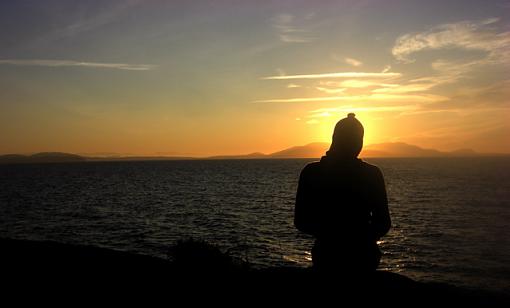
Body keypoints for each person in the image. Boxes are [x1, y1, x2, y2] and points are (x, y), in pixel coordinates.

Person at [294, 113, 391, 274]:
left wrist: (330, 234)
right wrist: (360, 237)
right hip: (363, 256)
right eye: (357, 139)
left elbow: (302, 221)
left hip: (327, 254)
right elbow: (383, 223)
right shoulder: (372, 174)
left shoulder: (311, 172)